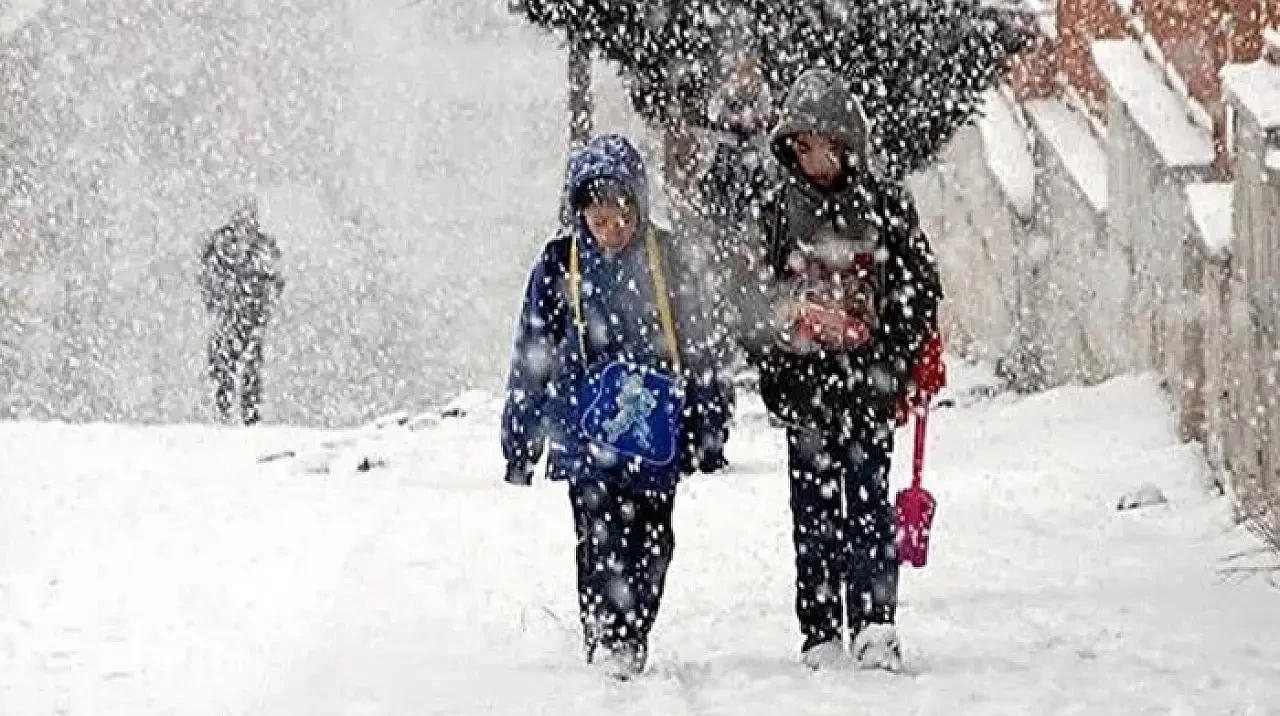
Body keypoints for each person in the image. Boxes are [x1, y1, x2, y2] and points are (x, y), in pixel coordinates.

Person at [733, 68, 946, 671]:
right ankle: (821, 628)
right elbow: (750, 296)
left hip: (869, 387)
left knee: (869, 506)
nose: (810, 160)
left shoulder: (885, 205)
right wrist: (782, 341)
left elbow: (918, 287)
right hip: (806, 392)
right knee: (814, 512)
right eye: (798, 149)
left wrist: (896, 357)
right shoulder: (777, 212)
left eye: (817, 146)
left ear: (844, 141)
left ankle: (876, 622)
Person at [500, 134, 730, 680]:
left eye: (620, 216)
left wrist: (709, 424)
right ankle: (605, 633)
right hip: (585, 431)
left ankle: (635, 627)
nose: (610, 231)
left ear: (639, 207)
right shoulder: (560, 264)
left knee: (653, 538)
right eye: (597, 219)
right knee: (597, 535)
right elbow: (532, 352)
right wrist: (521, 439)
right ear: (580, 214)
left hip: (655, 433)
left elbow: (699, 346)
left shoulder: (668, 260)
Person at [198, 195, 284, 425]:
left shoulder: (252, 246)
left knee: (241, 365)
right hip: (237, 314)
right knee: (231, 363)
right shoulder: (247, 246)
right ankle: (229, 412)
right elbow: (274, 280)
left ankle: (240, 414)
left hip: (242, 315)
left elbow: (274, 280)